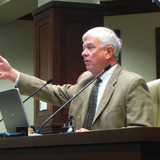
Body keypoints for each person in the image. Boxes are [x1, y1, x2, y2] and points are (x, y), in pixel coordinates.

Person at [0, 27, 153, 132]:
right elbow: (55, 93)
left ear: (108, 52)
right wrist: (12, 74)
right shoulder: (86, 80)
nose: (83, 53)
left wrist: (94, 138)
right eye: (83, 48)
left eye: (90, 47)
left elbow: (140, 131)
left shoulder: (132, 83)